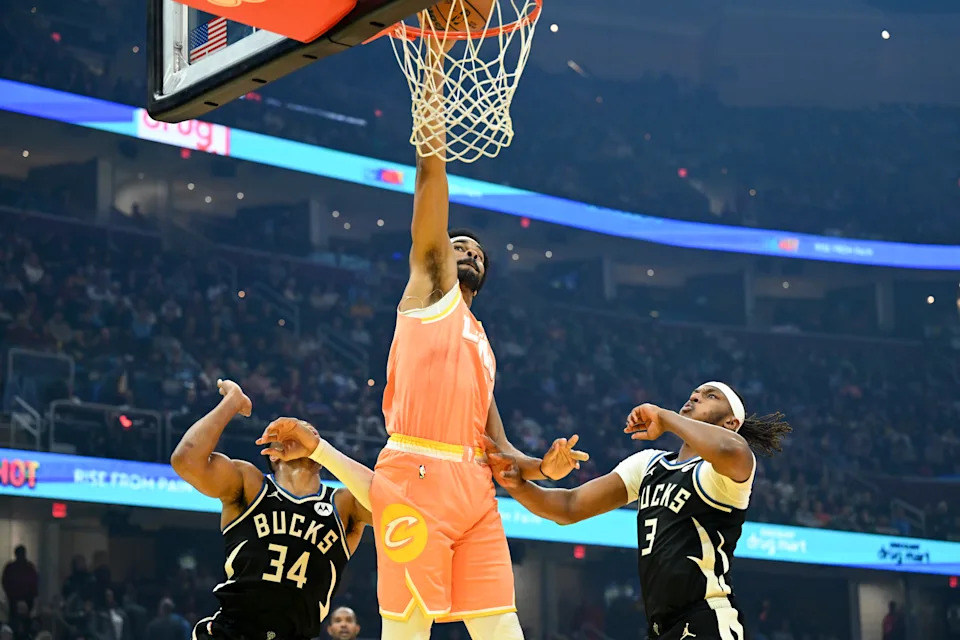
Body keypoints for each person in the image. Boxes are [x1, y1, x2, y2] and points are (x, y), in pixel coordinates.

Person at [257, 37, 587, 640]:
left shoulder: (482, 345)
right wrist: (433, 74)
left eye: (477, 251)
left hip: (476, 493)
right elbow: (431, 177)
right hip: (416, 478)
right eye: (458, 245)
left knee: (502, 627)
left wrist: (545, 466)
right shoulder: (429, 293)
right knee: (407, 631)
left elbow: (500, 453)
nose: (468, 251)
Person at [489, 382, 792, 640]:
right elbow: (569, 507)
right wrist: (518, 486)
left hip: (708, 618)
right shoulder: (648, 464)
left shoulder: (727, 471)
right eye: (696, 392)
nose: (696, 396)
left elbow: (731, 449)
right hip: (661, 627)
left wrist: (664, 416)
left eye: (711, 396)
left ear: (731, 424)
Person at [170, 379, 371, 640]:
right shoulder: (249, 484)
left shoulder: (345, 504)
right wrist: (231, 403)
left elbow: (399, 508)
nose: (300, 436)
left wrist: (323, 451)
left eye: (308, 433)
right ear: (272, 452)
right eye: (290, 433)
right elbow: (186, 460)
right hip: (231, 633)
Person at [1, 546, 38, 617]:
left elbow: (5, 581)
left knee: (16, 617)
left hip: (18, 597)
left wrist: (9, 594)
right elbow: (34, 582)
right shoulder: (29, 567)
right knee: (23, 618)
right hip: (21, 597)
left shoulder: (11, 567)